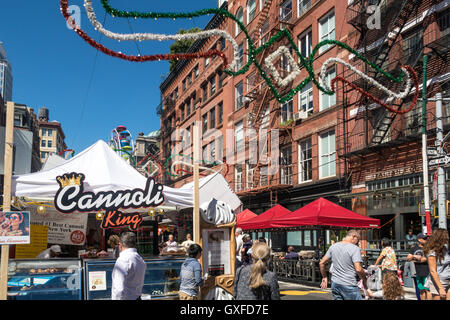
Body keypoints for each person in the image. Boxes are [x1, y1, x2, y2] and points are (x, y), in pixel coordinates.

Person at [319, 229, 371, 300]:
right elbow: (358, 269)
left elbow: (322, 262)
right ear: (353, 236)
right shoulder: (354, 249)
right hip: (349, 284)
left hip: (335, 283)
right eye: (358, 240)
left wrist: (324, 277)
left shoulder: (333, 247)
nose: (357, 243)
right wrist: (364, 279)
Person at [111, 232, 146, 300]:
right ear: (135, 244)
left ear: (120, 245)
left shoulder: (123, 260)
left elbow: (119, 289)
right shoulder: (140, 259)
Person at [423, 228, 450, 300]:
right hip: (438, 282)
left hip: (448, 279)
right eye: (445, 236)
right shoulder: (432, 252)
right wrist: (440, 288)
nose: (447, 238)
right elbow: (433, 271)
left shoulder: (446, 249)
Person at [406, 233, 430, 300]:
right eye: (424, 238)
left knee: (428, 290)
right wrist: (414, 256)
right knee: (421, 290)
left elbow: (425, 259)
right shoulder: (413, 248)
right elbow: (407, 259)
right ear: (419, 240)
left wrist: (414, 260)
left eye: (426, 238)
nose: (426, 240)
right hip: (418, 272)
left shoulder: (428, 247)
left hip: (427, 272)